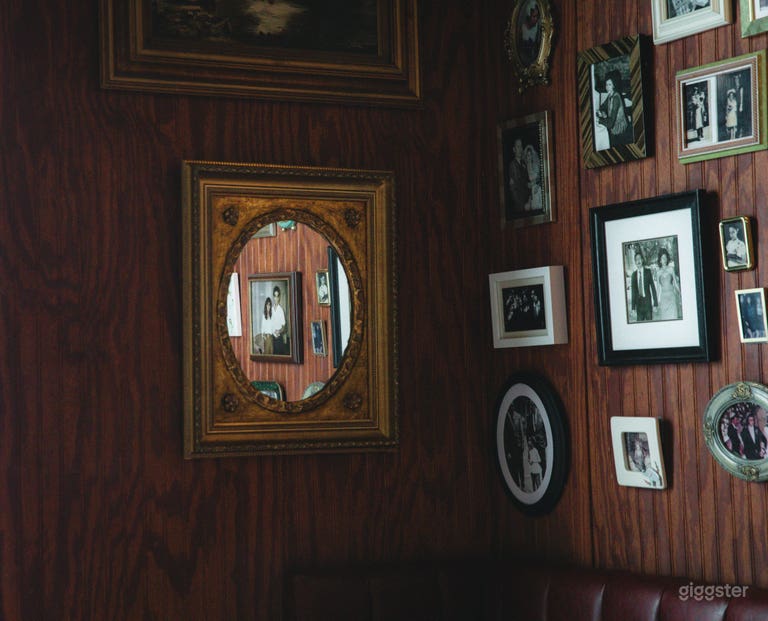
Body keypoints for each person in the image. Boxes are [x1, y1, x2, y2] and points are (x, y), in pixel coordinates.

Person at [596, 74, 632, 147]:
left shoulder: (615, 98)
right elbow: (602, 106)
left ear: (613, 85)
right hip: (613, 125)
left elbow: (610, 124)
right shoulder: (610, 94)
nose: (607, 87)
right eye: (606, 84)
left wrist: (599, 120)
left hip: (619, 131)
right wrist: (603, 112)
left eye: (609, 84)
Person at [630, 250, 657, 322]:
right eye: (636, 260)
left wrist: (655, 304)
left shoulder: (648, 272)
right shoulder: (633, 275)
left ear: (642, 260)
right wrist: (633, 308)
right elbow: (633, 292)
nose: (638, 261)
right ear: (635, 262)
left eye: (639, 259)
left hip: (647, 303)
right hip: (639, 305)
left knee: (649, 324)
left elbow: (653, 288)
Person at [655, 248, 682, 320]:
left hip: (672, 297)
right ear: (660, 260)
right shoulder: (658, 273)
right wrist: (656, 302)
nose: (664, 259)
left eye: (665, 257)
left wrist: (681, 295)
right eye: (662, 257)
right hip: (663, 298)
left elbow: (675, 284)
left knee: (673, 317)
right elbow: (658, 289)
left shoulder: (671, 269)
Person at [508, 138, 530, 216]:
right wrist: (522, 206)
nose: (520, 149)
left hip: (528, 203)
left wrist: (529, 199)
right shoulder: (512, 165)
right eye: (518, 147)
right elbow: (513, 190)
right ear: (514, 149)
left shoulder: (524, 163)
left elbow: (526, 183)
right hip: (520, 207)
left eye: (521, 146)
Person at [523, 144, 543, 212]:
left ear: (532, 155)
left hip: (537, 188)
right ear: (526, 156)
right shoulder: (524, 167)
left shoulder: (535, 165)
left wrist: (536, 183)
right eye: (528, 155)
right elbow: (524, 181)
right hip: (530, 191)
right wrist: (527, 184)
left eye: (530, 155)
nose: (529, 157)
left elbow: (540, 177)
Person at [271, 285, 288, 355]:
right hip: (272, 338)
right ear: (273, 297)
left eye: (277, 296)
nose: (276, 298)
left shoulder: (281, 310)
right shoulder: (271, 309)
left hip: (278, 339)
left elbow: (284, 327)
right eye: (275, 296)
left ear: (279, 297)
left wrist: (279, 331)